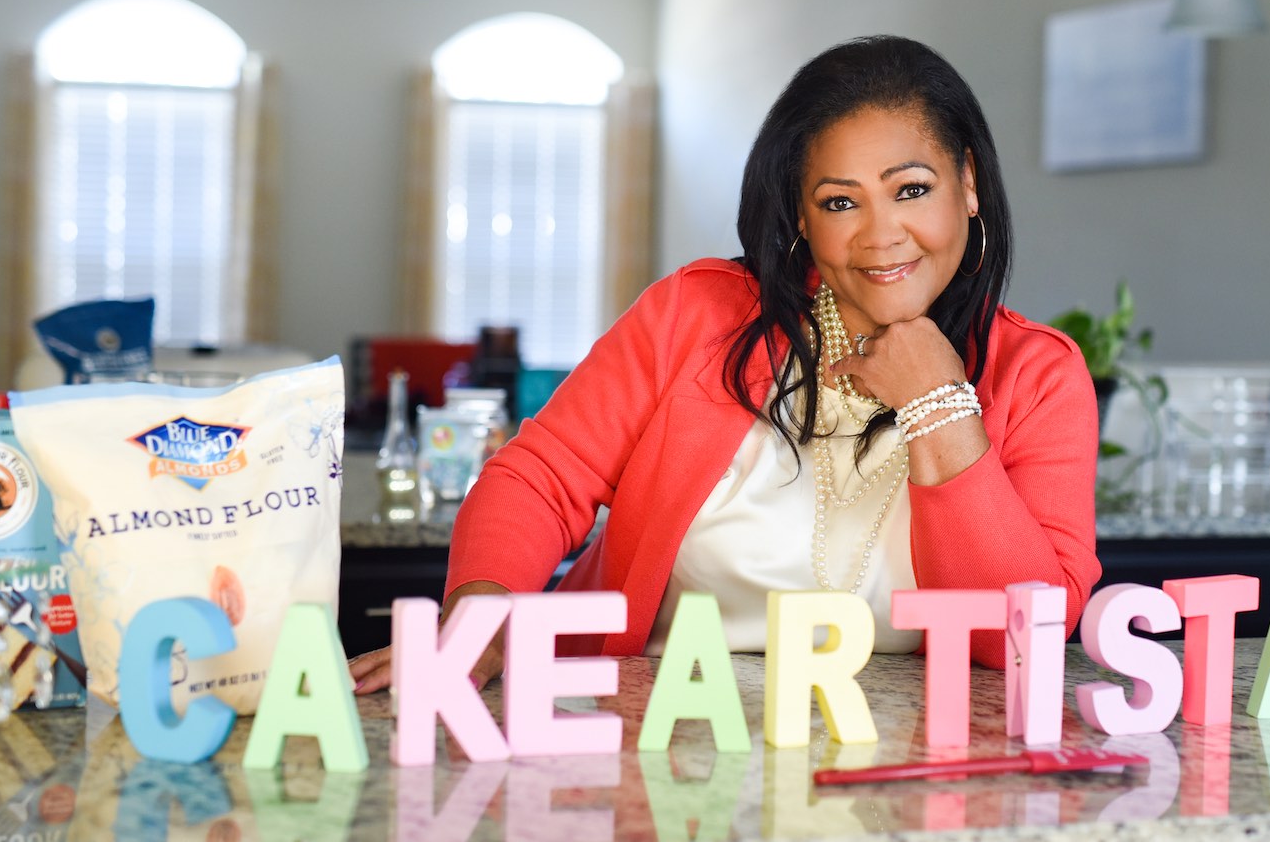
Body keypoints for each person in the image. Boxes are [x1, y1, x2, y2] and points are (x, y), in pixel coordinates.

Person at [350, 35, 1099, 695]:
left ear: (968, 184)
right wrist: (480, 620)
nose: (882, 234)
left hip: (895, 766)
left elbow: (1021, 636)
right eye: (841, 202)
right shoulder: (698, 313)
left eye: (911, 189)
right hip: (646, 741)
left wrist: (939, 403)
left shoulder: (1038, 374)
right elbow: (537, 478)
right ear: (801, 217)